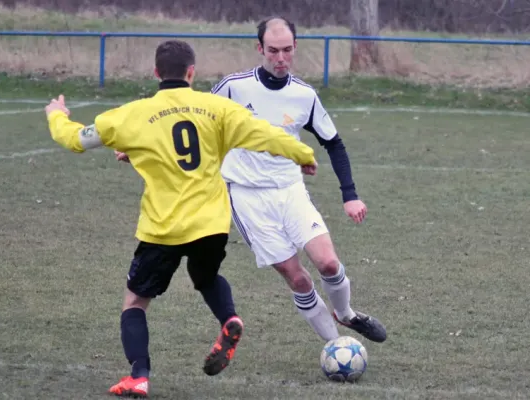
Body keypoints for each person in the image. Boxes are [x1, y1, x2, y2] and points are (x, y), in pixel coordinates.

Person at [45, 39, 318, 398]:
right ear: (192, 73)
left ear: (156, 73)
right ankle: (229, 319)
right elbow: (265, 134)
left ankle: (138, 376)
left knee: (135, 302)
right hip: (211, 224)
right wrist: (302, 153)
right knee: (205, 276)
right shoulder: (218, 108)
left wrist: (56, 115)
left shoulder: (132, 115)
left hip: (163, 228)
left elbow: (76, 140)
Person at [208, 17, 387, 345]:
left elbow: (333, 142)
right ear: (259, 48)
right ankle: (336, 346)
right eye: (273, 50)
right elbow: (197, 119)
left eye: (287, 50)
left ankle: (345, 314)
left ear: (295, 49)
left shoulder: (304, 95)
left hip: (291, 191)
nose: (280, 58)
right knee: (298, 278)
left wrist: (350, 195)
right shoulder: (234, 86)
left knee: (329, 263)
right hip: (247, 198)